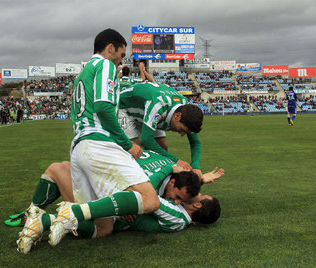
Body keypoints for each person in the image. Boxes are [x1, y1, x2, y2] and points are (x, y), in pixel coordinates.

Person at [13, 150, 223, 253]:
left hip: (107, 176)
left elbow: (162, 196)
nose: (176, 201)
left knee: (104, 229)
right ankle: (54, 212)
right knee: (103, 225)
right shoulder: (175, 207)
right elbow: (150, 197)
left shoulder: (170, 177)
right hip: (106, 178)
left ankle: (42, 219)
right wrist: (133, 204)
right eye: (177, 197)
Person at [67, 28, 160, 244]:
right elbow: (103, 107)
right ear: (111, 48)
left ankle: (45, 221)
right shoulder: (105, 65)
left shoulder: (83, 72)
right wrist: (127, 144)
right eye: (121, 54)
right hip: (98, 144)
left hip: (79, 147)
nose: (121, 60)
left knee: (103, 227)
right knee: (150, 199)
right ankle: (67, 215)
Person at [119, 82, 204, 176]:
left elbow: (195, 142)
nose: (182, 134)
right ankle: (136, 181)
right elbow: (146, 140)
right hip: (125, 109)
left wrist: (196, 166)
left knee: (162, 147)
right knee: (136, 151)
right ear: (177, 116)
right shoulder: (159, 105)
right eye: (182, 130)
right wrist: (176, 161)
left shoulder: (186, 110)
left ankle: (160, 179)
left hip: (147, 112)